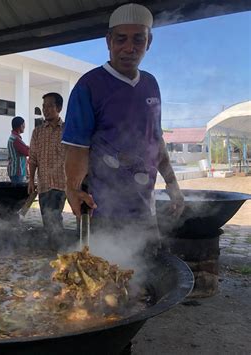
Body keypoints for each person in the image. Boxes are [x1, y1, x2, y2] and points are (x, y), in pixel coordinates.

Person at [62, 3, 184, 255]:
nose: (129, 48)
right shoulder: (89, 85)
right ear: (108, 41)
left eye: (138, 39)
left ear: (148, 41)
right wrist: (72, 189)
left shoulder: (151, 84)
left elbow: (156, 141)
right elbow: (77, 147)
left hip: (144, 210)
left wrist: (173, 185)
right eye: (121, 39)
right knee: (102, 278)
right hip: (103, 211)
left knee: (146, 275)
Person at [28, 92, 66, 240]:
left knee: (55, 219)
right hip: (43, 184)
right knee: (48, 222)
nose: (45, 109)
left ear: (59, 108)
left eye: (50, 106)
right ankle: (54, 252)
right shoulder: (37, 132)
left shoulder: (67, 130)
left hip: (61, 183)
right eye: (44, 106)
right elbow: (33, 159)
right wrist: (31, 180)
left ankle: (60, 252)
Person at [7, 116, 29, 183]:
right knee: (18, 192)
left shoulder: (13, 137)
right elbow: (27, 152)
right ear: (20, 126)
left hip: (13, 171)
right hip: (17, 172)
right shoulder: (16, 139)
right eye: (24, 125)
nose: (25, 127)